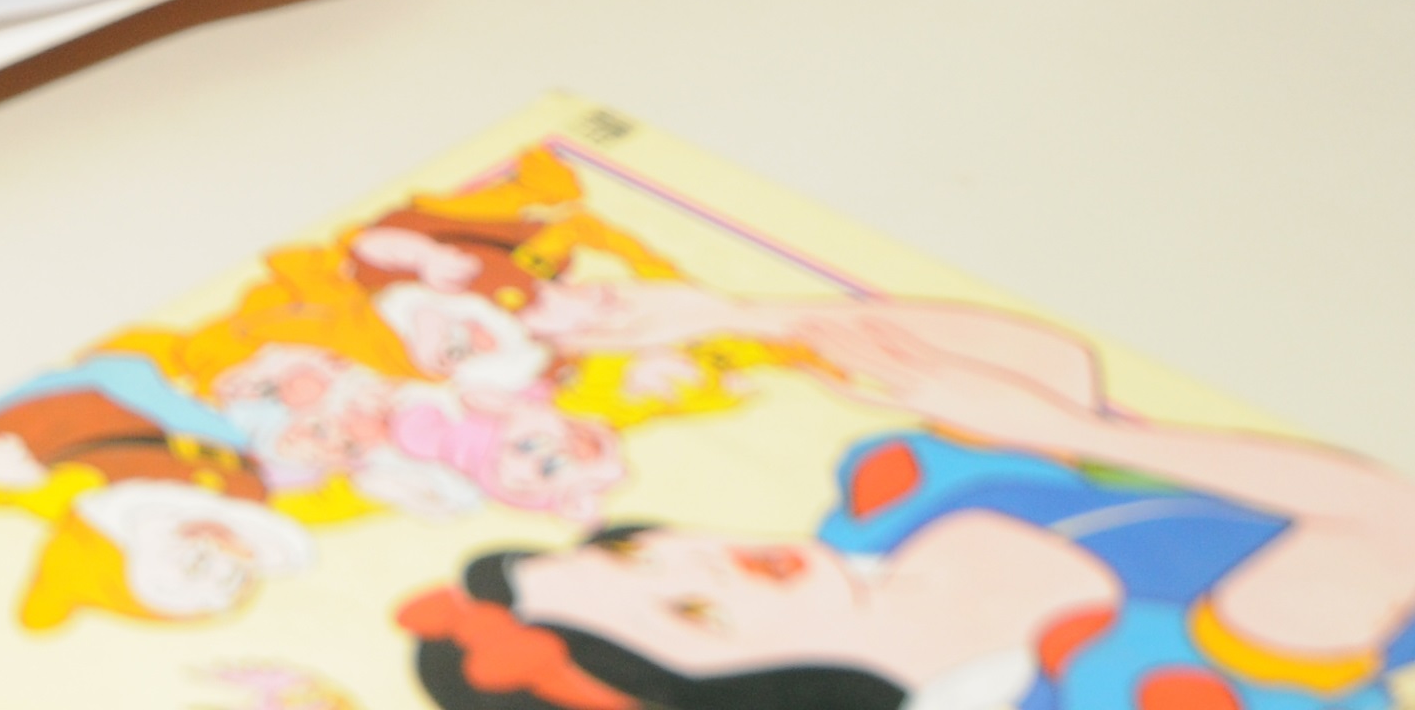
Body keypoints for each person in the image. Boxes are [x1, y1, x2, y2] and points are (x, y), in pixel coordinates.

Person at [400, 284, 1415, 710]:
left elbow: (1040, 358)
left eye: (634, 550)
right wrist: (1073, 434)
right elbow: (1389, 521)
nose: (694, 555)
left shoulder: (882, 518)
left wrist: (744, 311)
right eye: (689, 608)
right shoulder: (1124, 680)